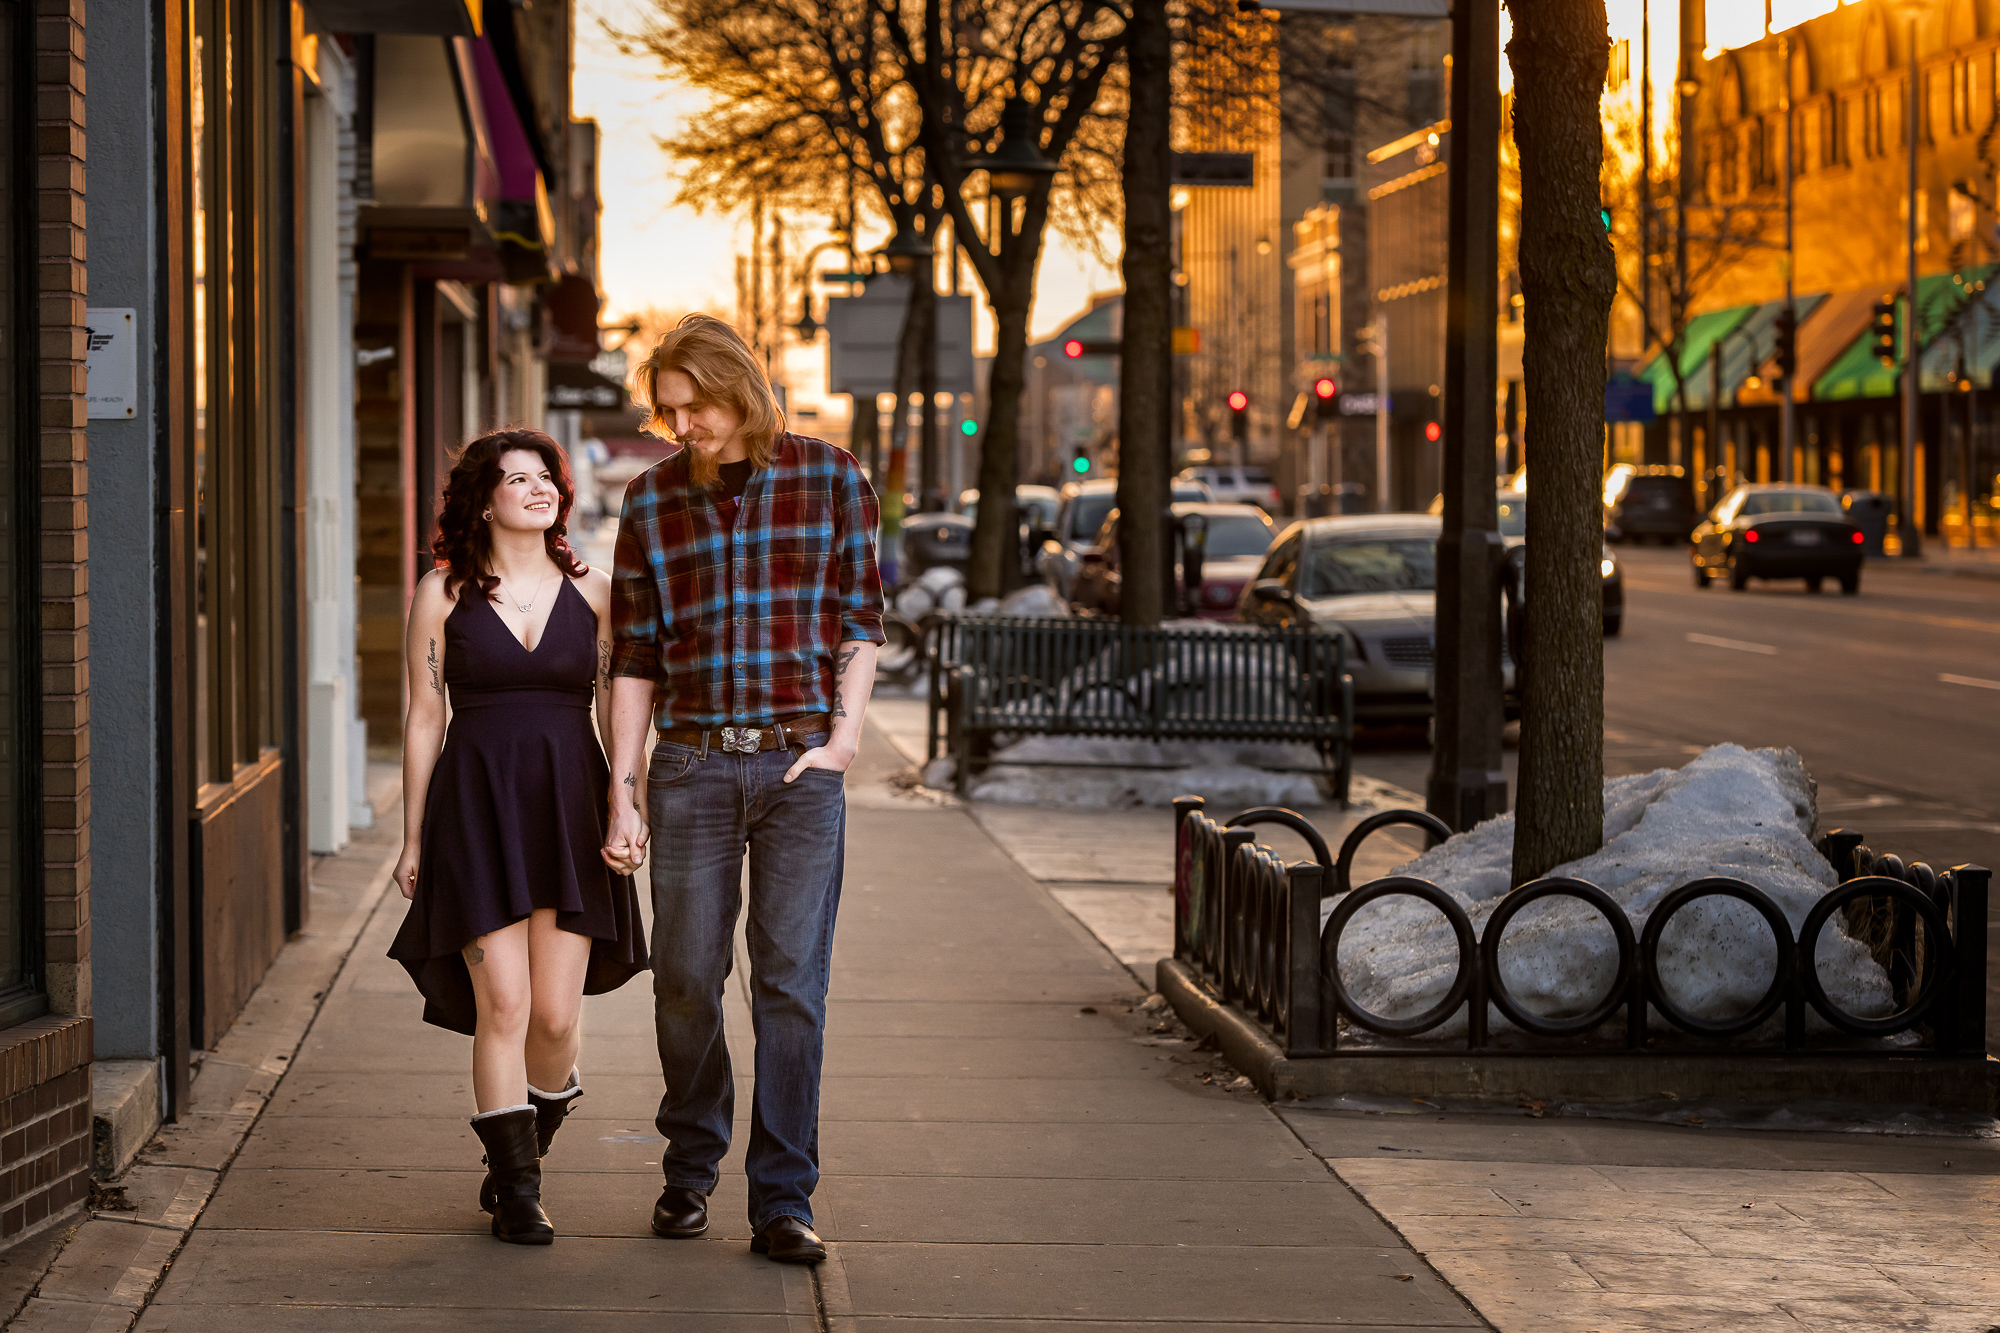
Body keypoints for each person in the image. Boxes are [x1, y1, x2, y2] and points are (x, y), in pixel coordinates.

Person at [604, 314, 883, 1264]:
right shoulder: (650, 503)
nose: (686, 429)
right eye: (670, 414)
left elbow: (861, 619)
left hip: (801, 766)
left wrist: (846, 740)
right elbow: (633, 658)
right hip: (686, 767)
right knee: (684, 976)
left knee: (790, 985)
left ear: (740, 388)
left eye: (696, 409)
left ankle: (782, 1199)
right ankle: (690, 1169)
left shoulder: (832, 476)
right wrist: (622, 788)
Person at [389, 429, 647, 1245]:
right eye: (517, 479)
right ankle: (521, 1190)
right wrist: (412, 837)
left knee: (556, 1017)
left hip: (570, 805)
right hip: (475, 809)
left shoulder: (598, 591)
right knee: (501, 1001)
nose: (538, 490)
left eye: (546, 478)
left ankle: (516, 1153)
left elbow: (618, 713)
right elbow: (425, 717)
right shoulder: (443, 593)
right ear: (484, 498)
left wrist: (625, 807)